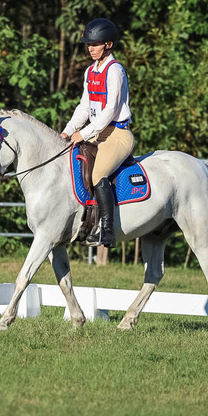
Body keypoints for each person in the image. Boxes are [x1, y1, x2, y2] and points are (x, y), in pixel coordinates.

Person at [60, 18, 134, 248]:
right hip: (97, 133)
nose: (90, 48)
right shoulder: (90, 71)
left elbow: (110, 110)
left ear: (108, 45)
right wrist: (67, 132)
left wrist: (84, 133)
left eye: (95, 44)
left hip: (117, 134)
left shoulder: (115, 71)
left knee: (98, 173)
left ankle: (107, 232)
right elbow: (84, 106)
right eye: (88, 44)